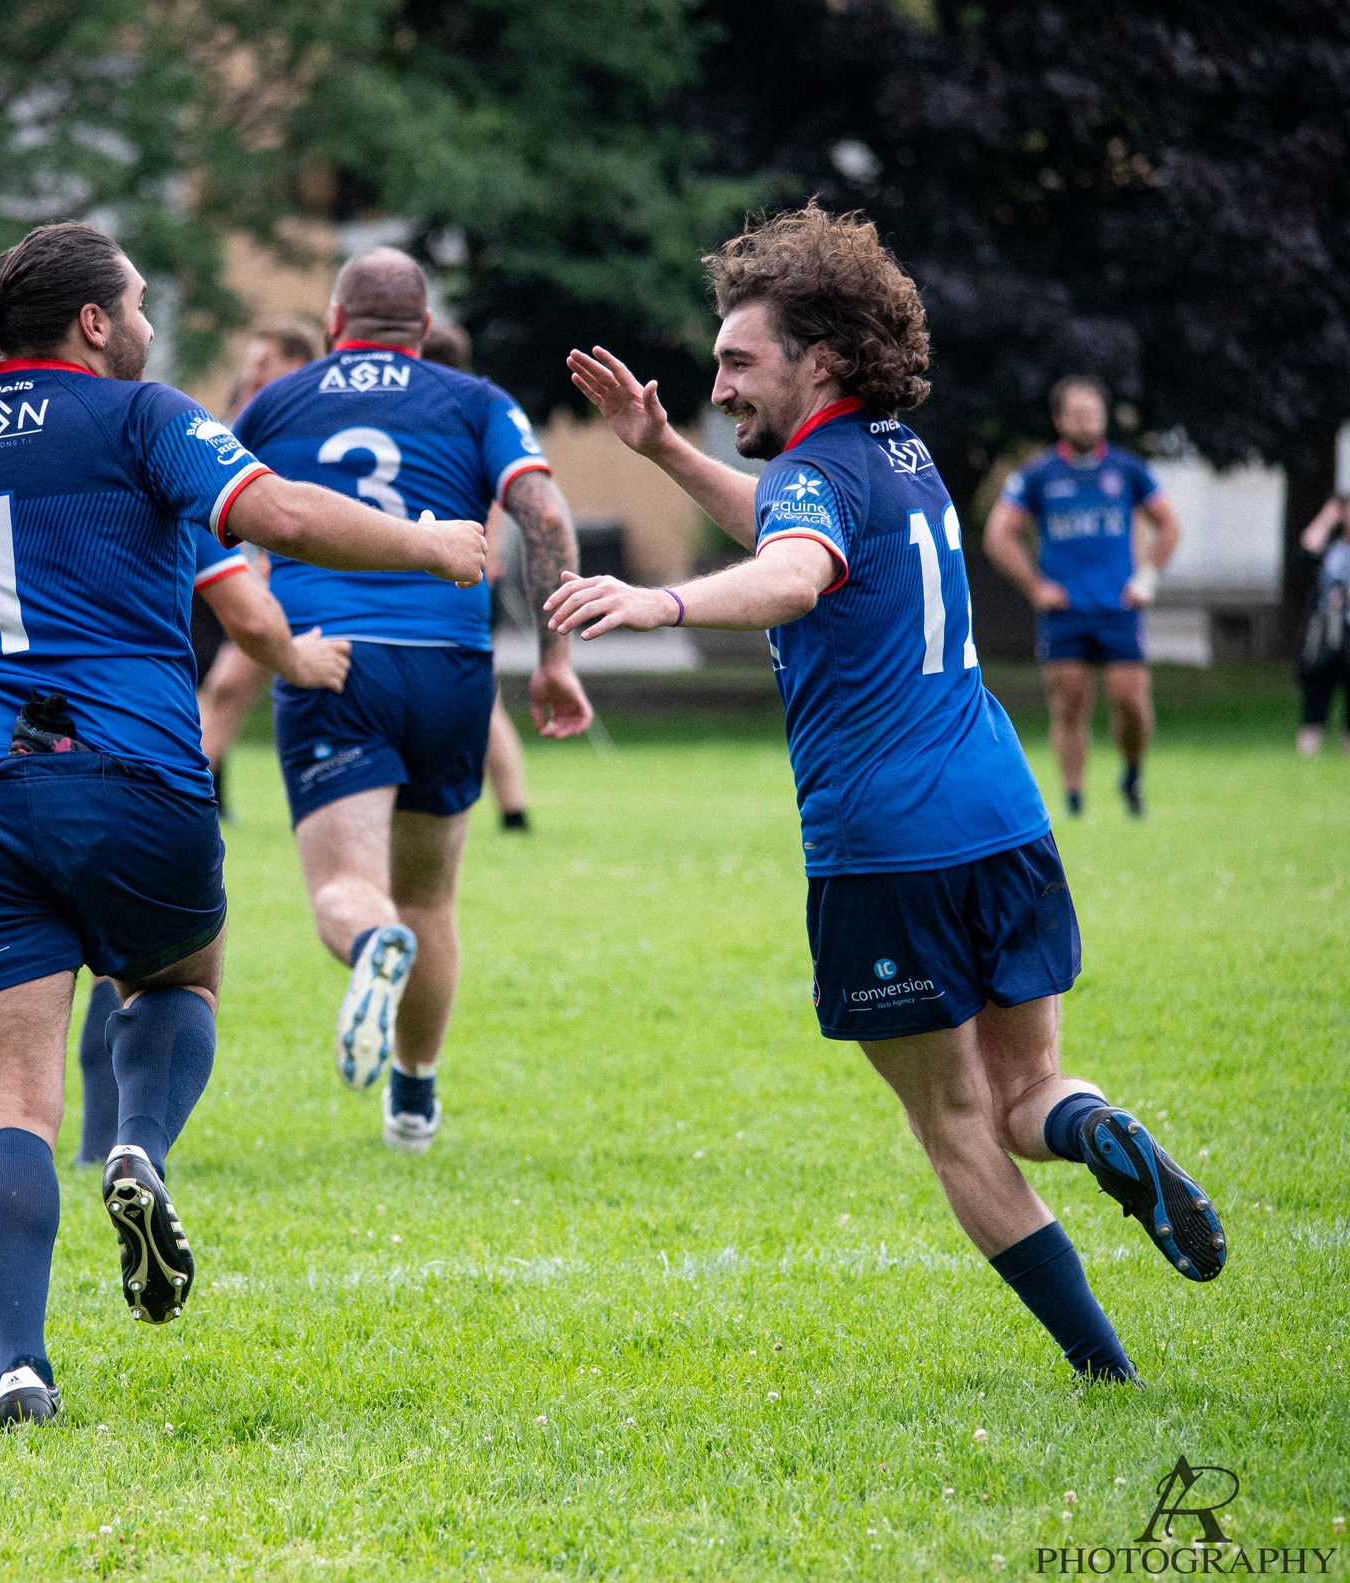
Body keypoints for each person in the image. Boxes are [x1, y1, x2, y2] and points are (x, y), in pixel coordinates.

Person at [548, 204, 1225, 1384]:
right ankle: (1097, 1129)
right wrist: (658, 448)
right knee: (1029, 1095)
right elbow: (793, 523)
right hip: (1003, 815)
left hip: (882, 845)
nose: (715, 384)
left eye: (735, 361)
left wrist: (660, 602)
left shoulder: (816, 477)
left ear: (818, 358)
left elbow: (794, 567)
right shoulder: (897, 455)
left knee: (954, 1123)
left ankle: (1101, 1366)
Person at [0, 222, 484, 1426]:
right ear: (95, 322)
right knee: (175, 981)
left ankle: (20, 1364)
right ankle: (139, 1142)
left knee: (5, 1096)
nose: (149, 322)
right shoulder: (141, 417)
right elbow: (286, 521)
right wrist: (430, 545)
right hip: (133, 777)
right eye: (139, 303)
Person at [231, 248, 593, 1155]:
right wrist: (555, 658)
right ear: (425, 330)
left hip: (333, 659)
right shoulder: (475, 401)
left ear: (332, 321)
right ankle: (415, 1095)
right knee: (430, 898)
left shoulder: (277, 402)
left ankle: (368, 947)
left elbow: (212, 520)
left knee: (349, 888)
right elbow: (543, 513)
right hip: (450, 666)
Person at [0, 528, 353, 1170]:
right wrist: (299, 661)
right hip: (124, 764)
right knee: (155, 974)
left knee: (14, 1084)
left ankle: (89, 1150)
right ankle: (127, 1141)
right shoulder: (140, 461)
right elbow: (250, 604)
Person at [983, 377, 1182, 817]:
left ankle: (1132, 774)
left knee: (1130, 701)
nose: (1087, 421)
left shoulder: (1128, 470)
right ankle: (1074, 802)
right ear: (1059, 420)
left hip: (1118, 607)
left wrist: (1147, 578)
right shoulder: (1037, 475)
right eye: (1076, 414)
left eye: (1093, 413)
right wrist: (1036, 586)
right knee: (1069, 703)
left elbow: (1169, 524)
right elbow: (999, 534)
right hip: (1065, 612)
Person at [194, 319, 331, 790]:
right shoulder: (246, 423)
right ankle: (193, 792)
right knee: (224, 686)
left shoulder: (317, 428)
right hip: (258, 577)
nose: (250, 375)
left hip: (320, 585)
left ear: (296, 367)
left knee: (233, 686)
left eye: (262, 365)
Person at [423, 322, 531, 832]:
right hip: (459, 569)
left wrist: (484, 564)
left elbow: (492, 503)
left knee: (482, 699)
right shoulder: (462, 415)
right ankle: (510, 809)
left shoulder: (460, 417)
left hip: (469, 575)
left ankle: (512, 809)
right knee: (480, 698)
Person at [1294, 495, 1350, 756]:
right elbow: (1305, 552)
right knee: (1315, 695)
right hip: (1325, 633)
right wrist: (1328, 516)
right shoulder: (1331, 549)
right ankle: (1308, 753)